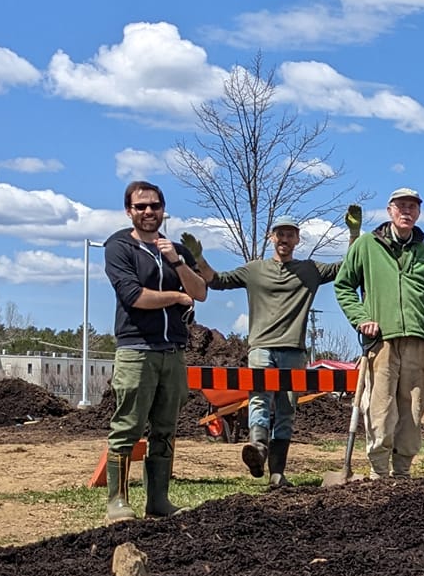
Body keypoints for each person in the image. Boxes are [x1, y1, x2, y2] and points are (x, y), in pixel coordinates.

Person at [192, 216, 340, 490]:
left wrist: (354, 234)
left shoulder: (310, 270)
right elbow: (217, 280)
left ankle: (277, 474)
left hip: (293, 351)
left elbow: (347, 268)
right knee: (259, 399)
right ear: (271, 238)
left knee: (286, 409)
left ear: (297, 240)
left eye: (290, 235)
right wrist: (200, 259)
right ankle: (258, 449)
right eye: (280, 234)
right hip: (261, 348)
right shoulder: (254, 270)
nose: (284, 239)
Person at [333, 185, 424, 481]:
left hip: (419, 344)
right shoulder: (367, 246)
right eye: (401, 206)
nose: (407, 211)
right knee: (380, 410)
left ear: (419, 213)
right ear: (389, 211)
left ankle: (402, 474)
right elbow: (343, 286)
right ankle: (379, 474)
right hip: (380, 342)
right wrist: (361, 318)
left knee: (412, 412)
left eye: (412, 206)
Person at [102, 180, 207, 522]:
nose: (149, 212)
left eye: (155, 206)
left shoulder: (175, 250)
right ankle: (117, 501)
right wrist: (177, 298)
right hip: (137, 349)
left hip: (173, 350)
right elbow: (135, 297)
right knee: (128, 426)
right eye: (141, 206)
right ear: (129, 211)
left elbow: (200, 291)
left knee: (166, 427)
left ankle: (158, 500)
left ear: (163, 209)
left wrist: (177, 262)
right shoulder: (119, 247)